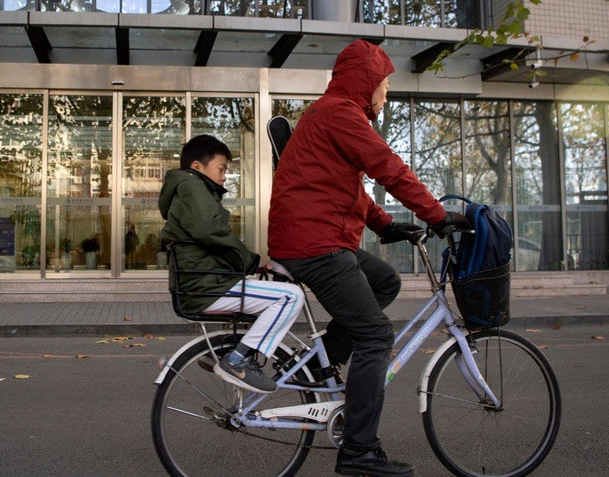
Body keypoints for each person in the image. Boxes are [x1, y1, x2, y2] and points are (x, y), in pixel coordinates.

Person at [268, 39, 470, 477]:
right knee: (377, 335)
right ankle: (359, 452)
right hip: (316, 244)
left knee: (385, 281)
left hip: (317, 238)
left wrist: (386, 226)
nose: (386, 93)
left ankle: (319, 361)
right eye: (384, 83)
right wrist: (436, 216)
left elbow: (349, 189)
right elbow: (388, 167)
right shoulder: (341, 113)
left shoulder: (332, 112)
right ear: (367, 82)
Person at [159, 134, 304, 394]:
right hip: (206, 288)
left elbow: (211, 236)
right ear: (197, 167)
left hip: (204, 284)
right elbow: (211, 232)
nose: (225, 176)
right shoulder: (192, 187)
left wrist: (252, 266)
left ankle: (225, 347)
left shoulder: (188, 189)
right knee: (290, 297)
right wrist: (251, 262)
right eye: (222, 168)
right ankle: (237, 360)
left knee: (266, 289)